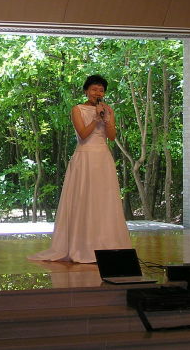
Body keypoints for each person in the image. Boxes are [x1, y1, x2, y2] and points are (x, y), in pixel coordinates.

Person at [29, 74, 131, 263]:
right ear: (86, 91)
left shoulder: (108, 110)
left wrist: (107, 119)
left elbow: (111, 136)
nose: (97, 93)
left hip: (103, 158)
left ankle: (107, 244)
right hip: (85, 157)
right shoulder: (77, 109)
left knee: (104, 201)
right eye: (94, 89)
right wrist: (96, 118)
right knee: (84, 198)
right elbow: (83, 134)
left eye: (101, 90)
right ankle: (82, 246)